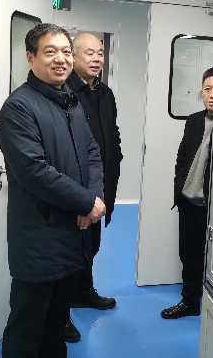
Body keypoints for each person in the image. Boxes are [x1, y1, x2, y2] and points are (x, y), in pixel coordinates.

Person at [0, 23, 106, 358]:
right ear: (31, 58)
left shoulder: (70, 102)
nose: (61, 59)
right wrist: (86, 202)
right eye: (50, 51)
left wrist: (92, 199)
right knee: (26, 333)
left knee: (56, 328)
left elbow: (93, 153)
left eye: (66, 52)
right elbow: (34, 171)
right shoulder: (18, 108)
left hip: (72, 238)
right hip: (40, 243)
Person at [161, 67, 213, 319]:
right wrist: (180, 184)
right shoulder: (194, 120)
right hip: (189, 202)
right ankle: (190, 302)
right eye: (207, 89)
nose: (211, 95)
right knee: (189, 255)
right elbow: (182, 157)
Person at [64, 32, 122, 340]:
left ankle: (84, 293)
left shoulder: (105, 93)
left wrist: (117, 157)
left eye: (100, 52)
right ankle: (60, 314)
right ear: (73, 55)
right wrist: (80, 198)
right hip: (77, 191)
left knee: (92, 246)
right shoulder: (64, 93)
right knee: (70, 253)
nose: (97, 58)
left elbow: (113, 132)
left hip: (103, 186)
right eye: (89, 53)